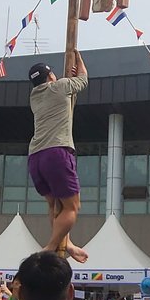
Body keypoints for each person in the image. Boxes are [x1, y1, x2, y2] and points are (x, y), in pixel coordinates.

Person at [27, 55, 90, 263]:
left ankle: (67, 243)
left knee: (55, 204)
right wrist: (79, 59)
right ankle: (50, 247)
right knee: (72, 207)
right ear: (51, 76)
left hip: (36, 156)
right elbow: (83, 80)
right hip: (56, 153)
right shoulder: (60, 86)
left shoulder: (34, 97)